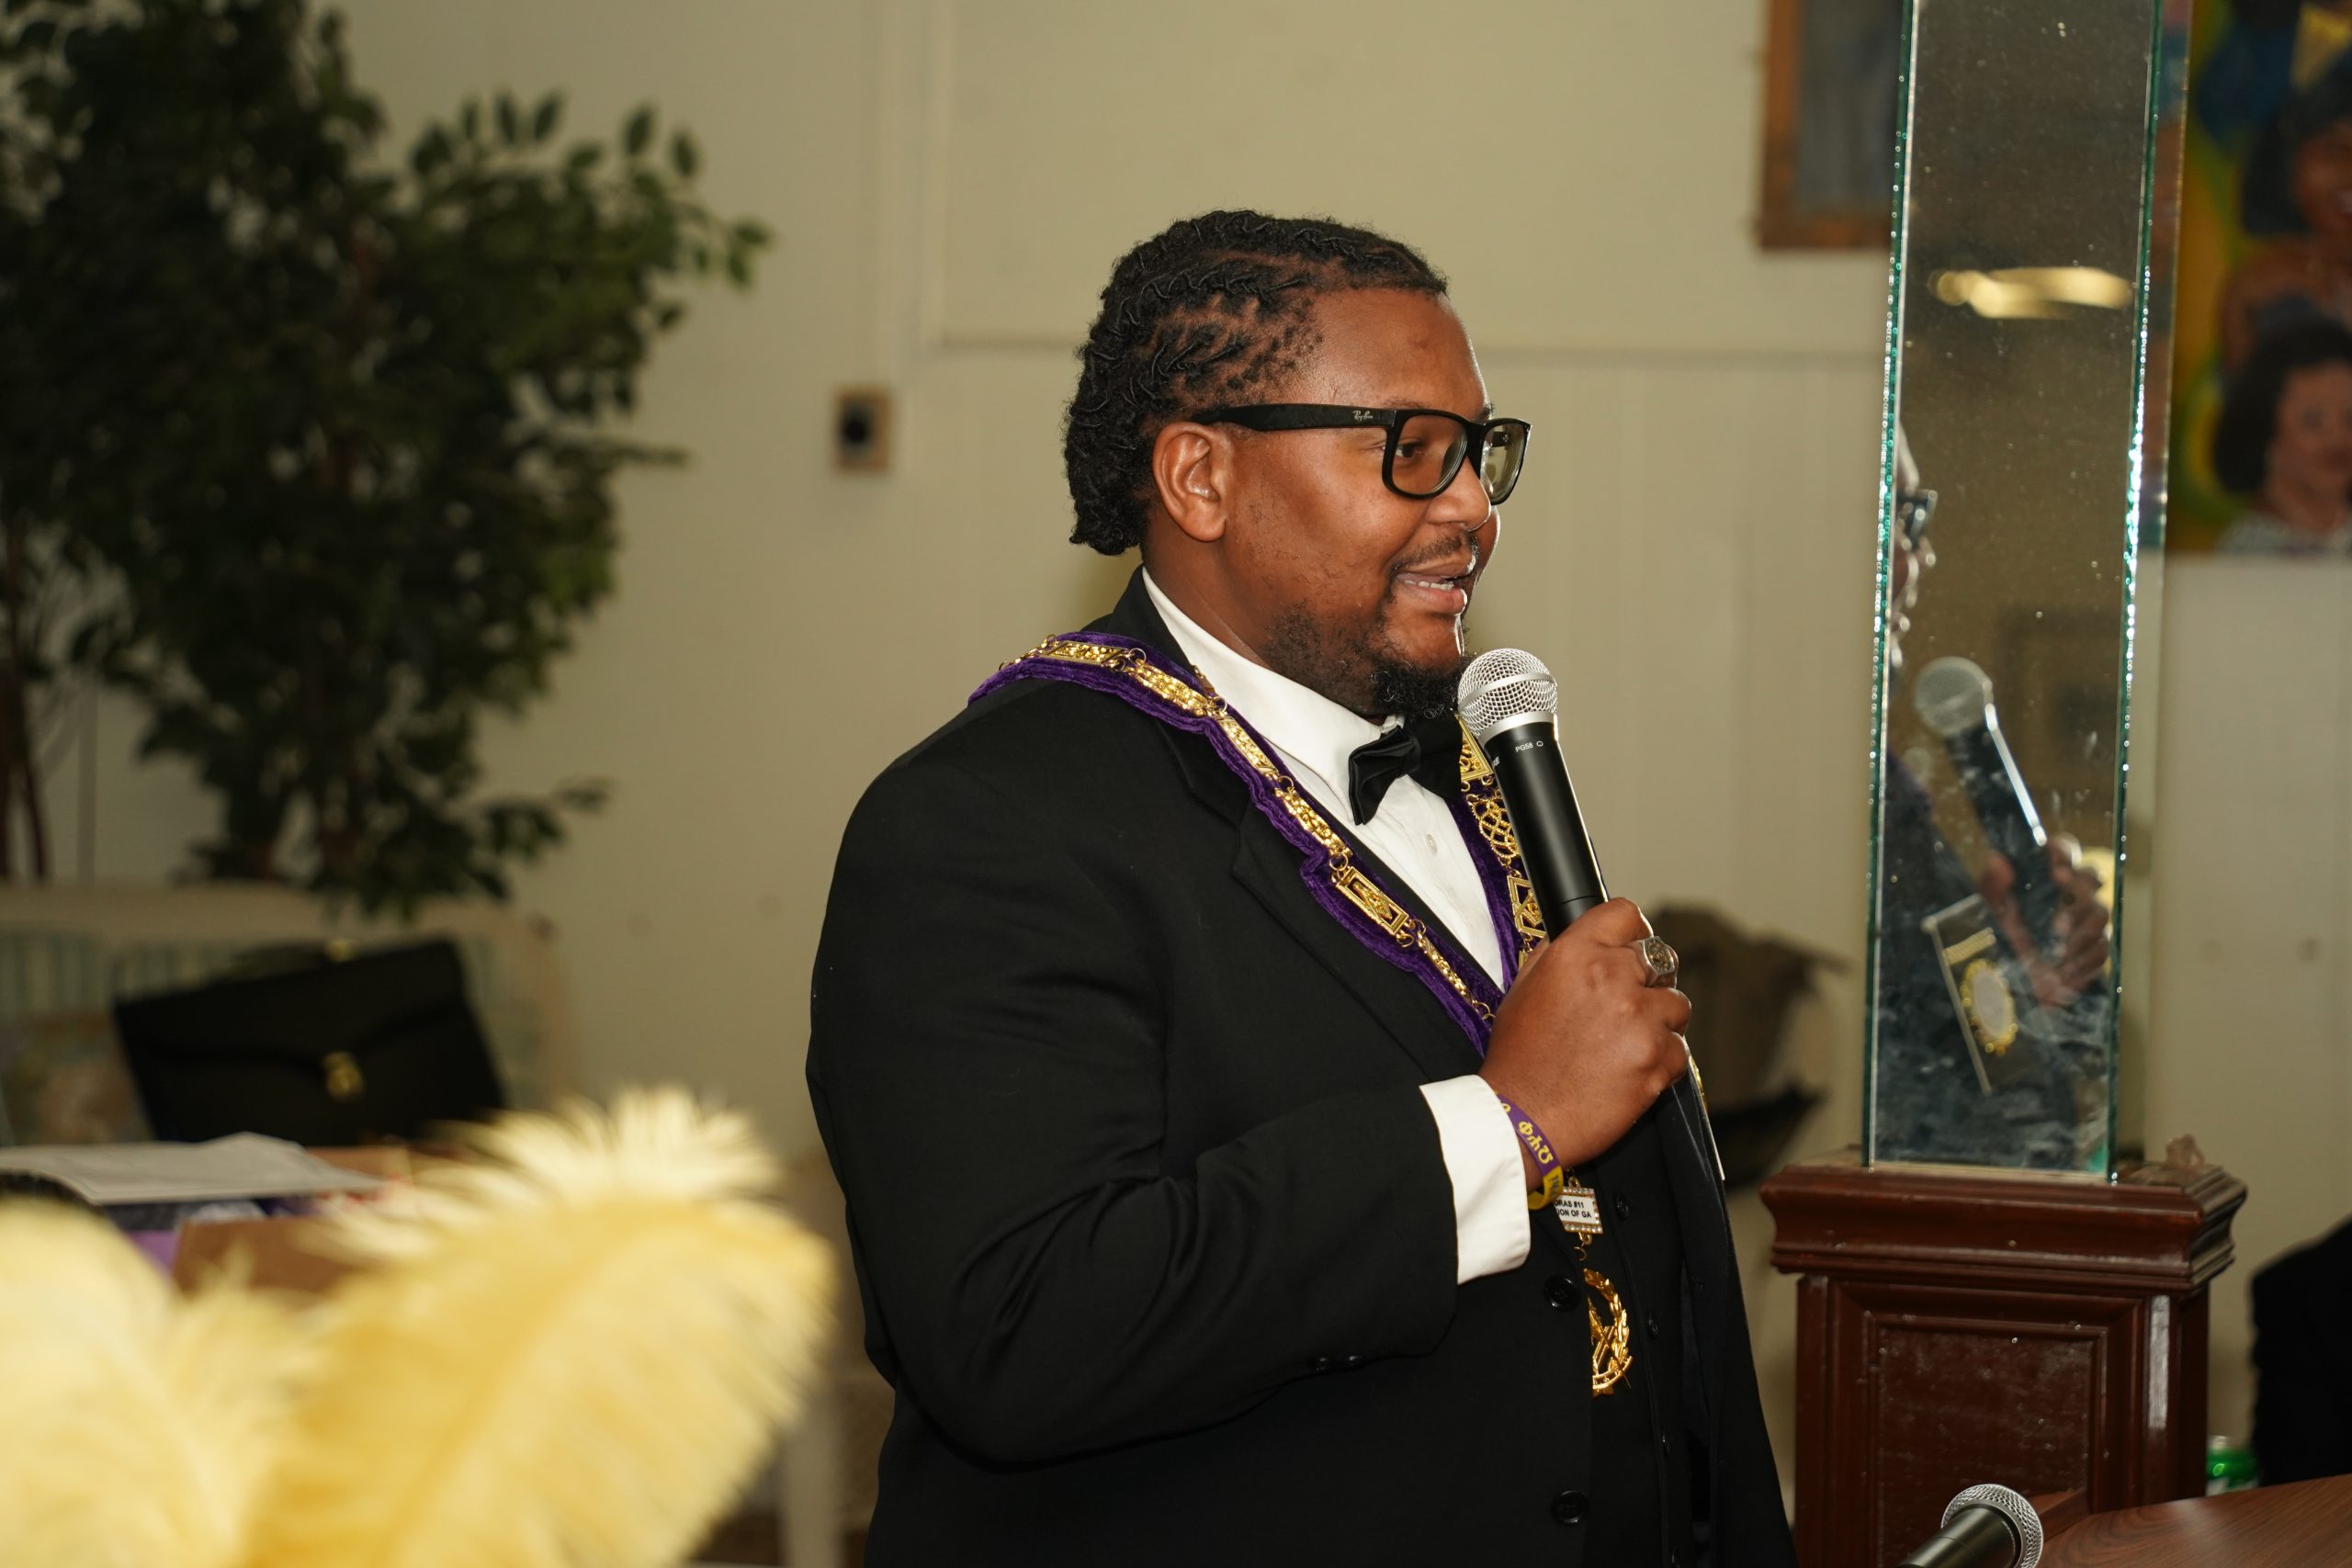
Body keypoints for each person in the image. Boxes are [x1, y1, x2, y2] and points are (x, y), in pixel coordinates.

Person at [808, 210, 1794, 1567]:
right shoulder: (985, 824)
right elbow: (1016, 1328)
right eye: (1411, 448)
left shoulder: (1476, 768)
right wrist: (1502, 1125)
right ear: (1201, 476)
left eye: (1479, 450)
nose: (1472, 508)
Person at [1871, 432, 2114, 1169]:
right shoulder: (1821, 785)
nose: (1923, 556)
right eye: (1903, 517)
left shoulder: (1889, 781)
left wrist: (2022, 963)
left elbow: (1966, 1050)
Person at [2211, 318, 2352, 556]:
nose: (2338, 438)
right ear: (2266, 433)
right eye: (2313, 421)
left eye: (2351, 418)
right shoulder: (2248, 554)